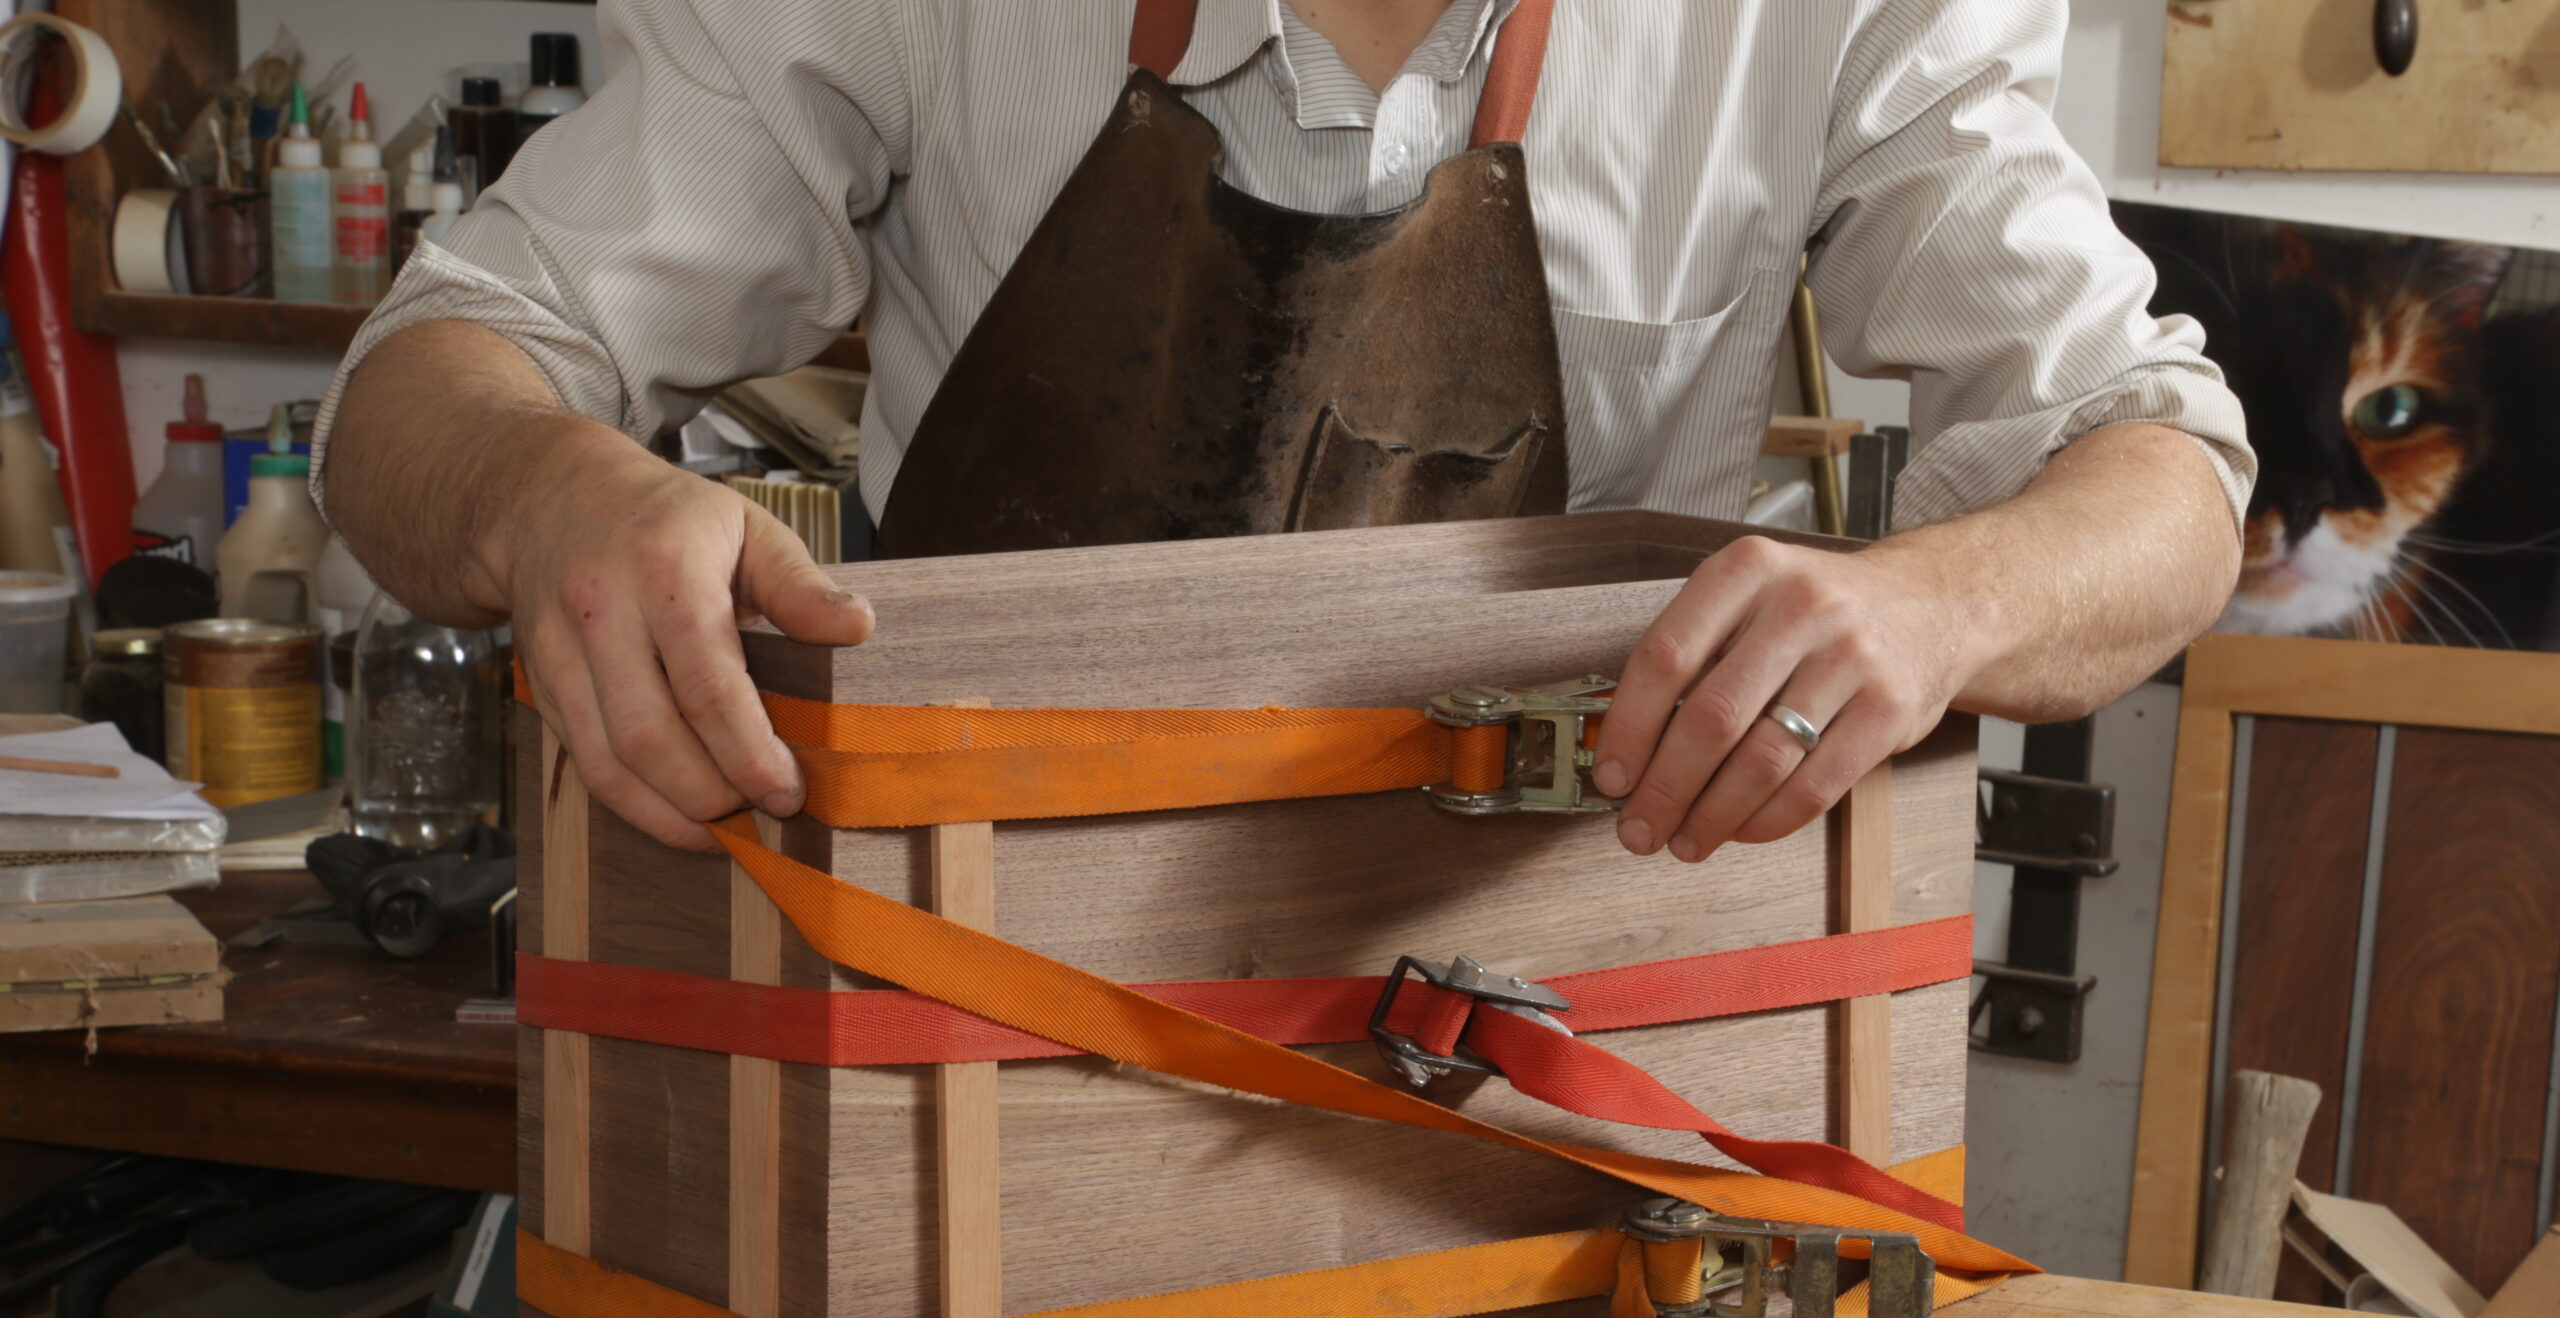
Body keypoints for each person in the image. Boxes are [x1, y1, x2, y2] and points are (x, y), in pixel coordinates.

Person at [317, 0, 2250, 861]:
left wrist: (1929, 608)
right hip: (978, 982)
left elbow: (2166, 479)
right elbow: (432, 376)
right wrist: (547, 481)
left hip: (1565, 1023)